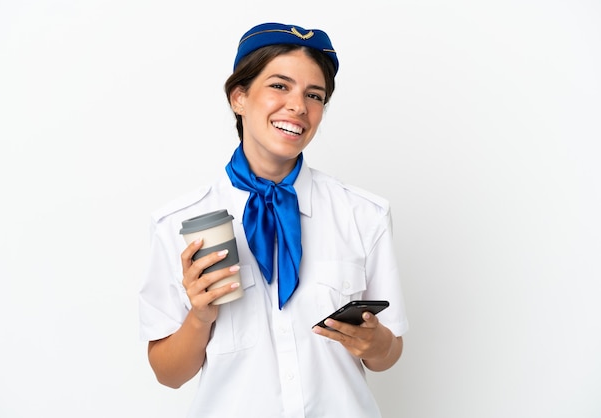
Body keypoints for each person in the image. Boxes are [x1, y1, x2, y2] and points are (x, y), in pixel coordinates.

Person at [139, 22, 409, 417]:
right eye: (280, 86)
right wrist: (200, 317)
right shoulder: (179, 224)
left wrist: (376, 343)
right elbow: (169, 374)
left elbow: (388, 355)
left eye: (314, 95)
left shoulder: (364, 215)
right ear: (239, 98)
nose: (299, 106)